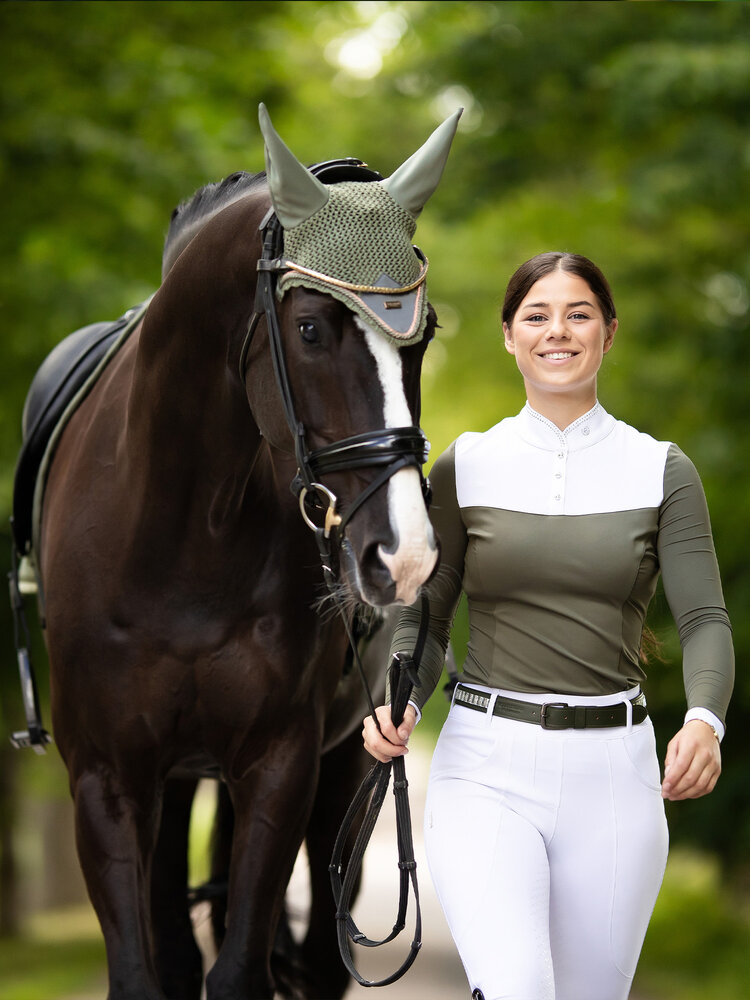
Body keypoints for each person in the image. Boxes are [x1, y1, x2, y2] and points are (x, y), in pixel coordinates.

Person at [362, 251, 734, 1000]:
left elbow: (704, 618)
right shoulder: (465, 467)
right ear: (508, 335)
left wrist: (704, 720)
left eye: (578, 314)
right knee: (519, 989)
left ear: (608, 332)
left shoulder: (661, 469)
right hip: (487, 769)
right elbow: (427, 619)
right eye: (536, 315)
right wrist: (399, 692)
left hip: (618, 777)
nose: (556, 331)